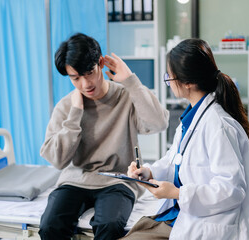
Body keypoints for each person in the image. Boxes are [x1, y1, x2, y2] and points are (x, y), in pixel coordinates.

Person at [124, 38, 249, 240]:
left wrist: (177, 194)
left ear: (187, 82)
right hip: (183, 216)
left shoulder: (217, 125)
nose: (167, 81)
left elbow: (232, 191)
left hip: (209, 226)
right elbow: (175, 160)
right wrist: (149, 171)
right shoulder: (194, 115)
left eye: (169, 76)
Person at [38, 32, 169, 240]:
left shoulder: (126, 95)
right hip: (76, 181)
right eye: (75, 78)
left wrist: (131, 82)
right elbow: (57, 160)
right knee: (50, 227)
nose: (85, 84)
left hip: (118, 181)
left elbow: (158, 123)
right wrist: (75, 115)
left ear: (100, 63)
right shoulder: (67, 106)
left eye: (89, 72)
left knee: (109, 225)